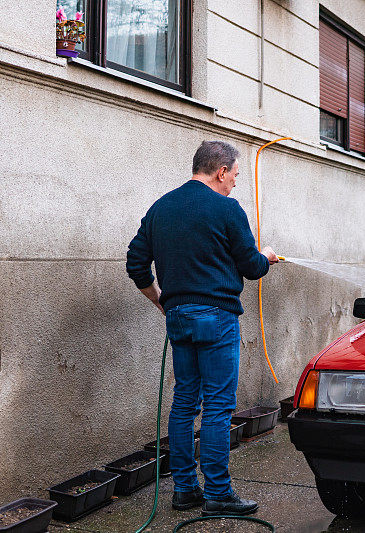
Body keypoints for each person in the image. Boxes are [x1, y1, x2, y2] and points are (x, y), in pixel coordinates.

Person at [126, 140, 278, 516]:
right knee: (218, 406)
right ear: (221, 171)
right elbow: (252, 267)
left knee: (183, 404)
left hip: (178, 317)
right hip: (217, 317)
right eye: (236, 176)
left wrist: (161, 302)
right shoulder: (227, 208)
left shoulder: (161, 207)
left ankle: (184, 490)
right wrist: (268, 257)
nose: (236, 184)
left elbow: (136, 263)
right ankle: (219, 493)